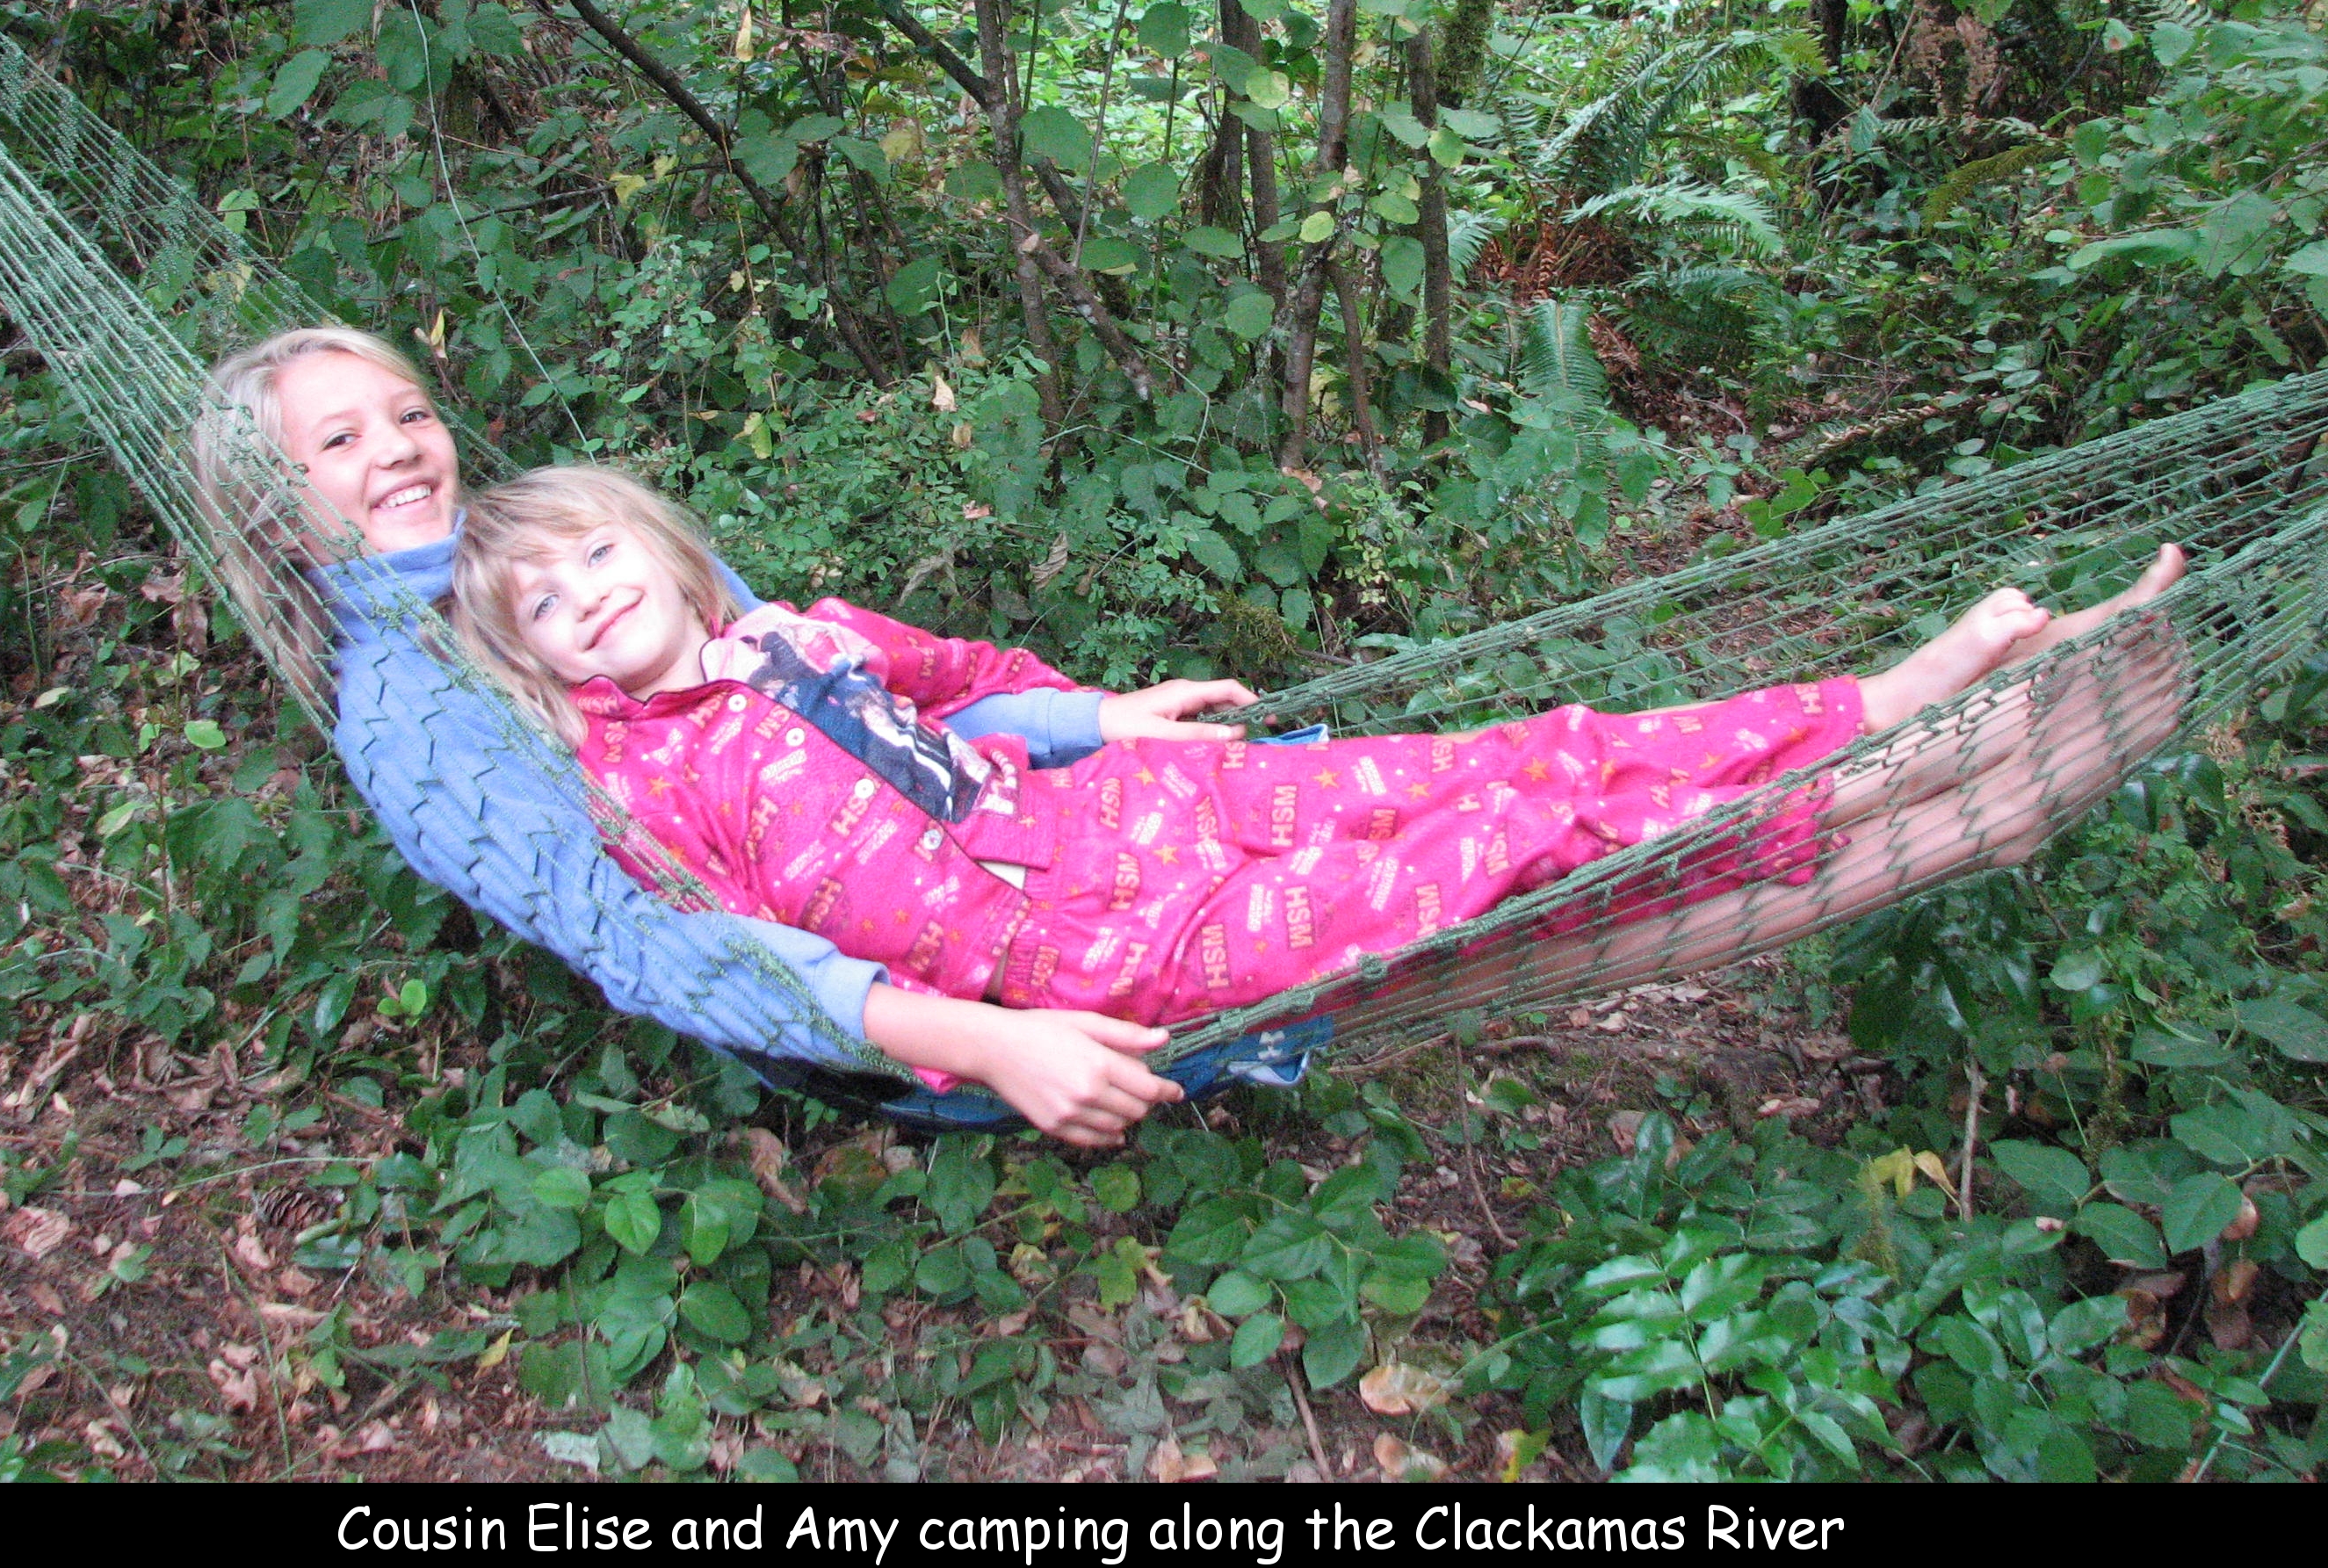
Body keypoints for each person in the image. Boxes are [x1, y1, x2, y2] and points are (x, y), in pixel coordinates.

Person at [445, 462, 2189, 1102]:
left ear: (658, 544)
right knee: (1516, 846)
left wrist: (1108, 713)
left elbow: (968, 683)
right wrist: (970, 1049)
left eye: (592, 552)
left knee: (1523, 752)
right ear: (539, 664)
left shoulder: (803, 633)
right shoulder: (639, 787)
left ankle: (1883, 702)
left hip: (1139, 813)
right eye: (540, 604)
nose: (582, 594)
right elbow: (751, 967)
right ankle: (1919, 775)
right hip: (1116, 956)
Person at [192, 327, 1255, 1145]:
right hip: (915, 1001)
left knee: (1279, 787)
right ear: (270, 511)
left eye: (410, 412)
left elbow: (851, 719)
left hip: (1005, 852)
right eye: (340, 440)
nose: (398, 447)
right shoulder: (414, 723)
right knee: (1285, 915)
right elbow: (643, 943)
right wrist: (980, 1040)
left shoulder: (559, 551)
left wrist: (1090, 721)